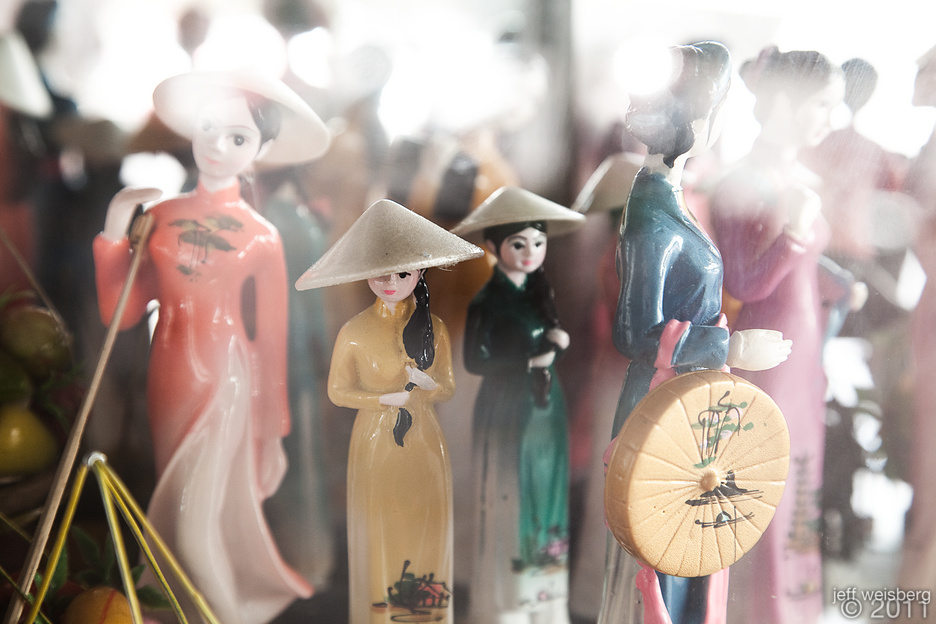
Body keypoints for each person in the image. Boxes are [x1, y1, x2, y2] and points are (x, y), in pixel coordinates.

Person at [92, 69, 328, 624]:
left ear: (261, 150)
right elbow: (122, 311)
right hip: (168, 375)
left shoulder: (262, 236)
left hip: (227, 381)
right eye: (209, 128)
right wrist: (115, 228)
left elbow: (271, 342)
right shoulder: (160, 217)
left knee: (195, 528)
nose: (218, 146)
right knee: (178, 517)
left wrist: (271, 434)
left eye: (238, 137)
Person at [596, 41, 791, 624]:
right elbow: (635, 332)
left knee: (693, 539)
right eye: (721, 107)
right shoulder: (651, 217)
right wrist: (730, 345)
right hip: (662, 403)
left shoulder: (669, 198)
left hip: (687, 398)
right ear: (694, 119)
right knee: (668, 544)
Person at [708, 47, 861, 624]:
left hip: (802, 352)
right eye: (821, 104)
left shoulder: (795, 178)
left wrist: (835, 281)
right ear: (782, 101)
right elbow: (744, 280)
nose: (831, 118)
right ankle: (759, 611)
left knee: (801, 482)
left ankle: (795, 607)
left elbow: (800, 267)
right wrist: (794, 233)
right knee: (765, 482)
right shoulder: (742, 182)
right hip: (767, 352)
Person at [295, 198, 483, 624]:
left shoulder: (434, 328)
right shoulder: (354, 332)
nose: (393, 282)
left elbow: (448, 387)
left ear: (419, 273)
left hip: (425, 441)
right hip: (376, 441)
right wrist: (382, 400)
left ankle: (426, 613)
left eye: (403, 272)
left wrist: (428, 386)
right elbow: (337, 391)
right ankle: (383, 612)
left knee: (425, 522)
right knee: (382, 524)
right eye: (383, 272)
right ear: (367, 274)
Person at [452, 186, 585, 624]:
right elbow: (475, 361)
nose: (531, 253)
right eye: (518, 244)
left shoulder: (539, 294)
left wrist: (554, 346)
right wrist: (529, 361)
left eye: (539, 243)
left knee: (546, 489)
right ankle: (507, 601)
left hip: (545, 405)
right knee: (509, 491)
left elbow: (547, 345)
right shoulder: (486, 302)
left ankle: (544, 596)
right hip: (507, 405)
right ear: (493, 247)